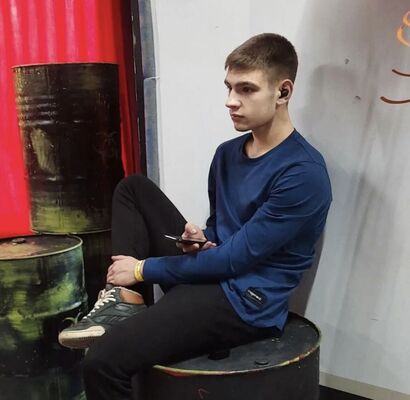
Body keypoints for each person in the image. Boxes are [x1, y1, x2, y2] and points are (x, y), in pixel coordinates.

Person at [58, 33, 332, 399]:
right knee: (134, 188)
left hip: (245, 302)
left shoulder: (303, 173)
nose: (231, 101)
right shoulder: (227, 154)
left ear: (283, 92)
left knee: (102, 362)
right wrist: (201, 240)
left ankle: (127, 293)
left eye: (246, 89)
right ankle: (124, 299)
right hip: (216, 272)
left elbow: (235, 260)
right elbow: (222, 231)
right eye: (229, 87)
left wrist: (142, 269)